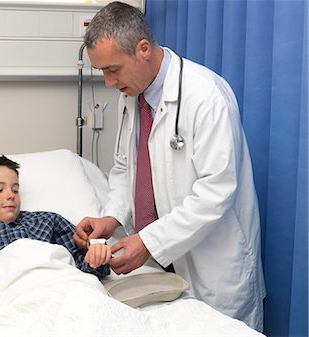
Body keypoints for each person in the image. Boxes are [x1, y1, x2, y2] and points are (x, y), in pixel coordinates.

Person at [73, 1, 265, 331]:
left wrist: (149, 242)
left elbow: (215, 193)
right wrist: (112, 216)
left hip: (211, 266)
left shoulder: (206, 96)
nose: (108, 82)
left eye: (113, 69)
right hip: (160, 266)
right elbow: (123, 166)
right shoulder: (131, 96)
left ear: (143, 49)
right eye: (102, 71)